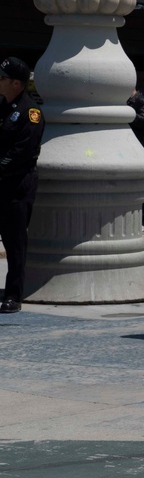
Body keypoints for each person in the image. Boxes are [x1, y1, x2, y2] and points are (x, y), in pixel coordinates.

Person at [0, 57, 45, 314]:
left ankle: (13, 295)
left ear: (16, 83)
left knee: (15, 242)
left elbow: (21, 151)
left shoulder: (31, 112)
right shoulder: (2, 106)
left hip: (16, 183)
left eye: (2, 78)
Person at [127, 87, 144, 154]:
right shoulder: (129, 101)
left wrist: (128, 114)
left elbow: (143, 120)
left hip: (141, 144)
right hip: (132, 142)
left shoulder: (142, 101)